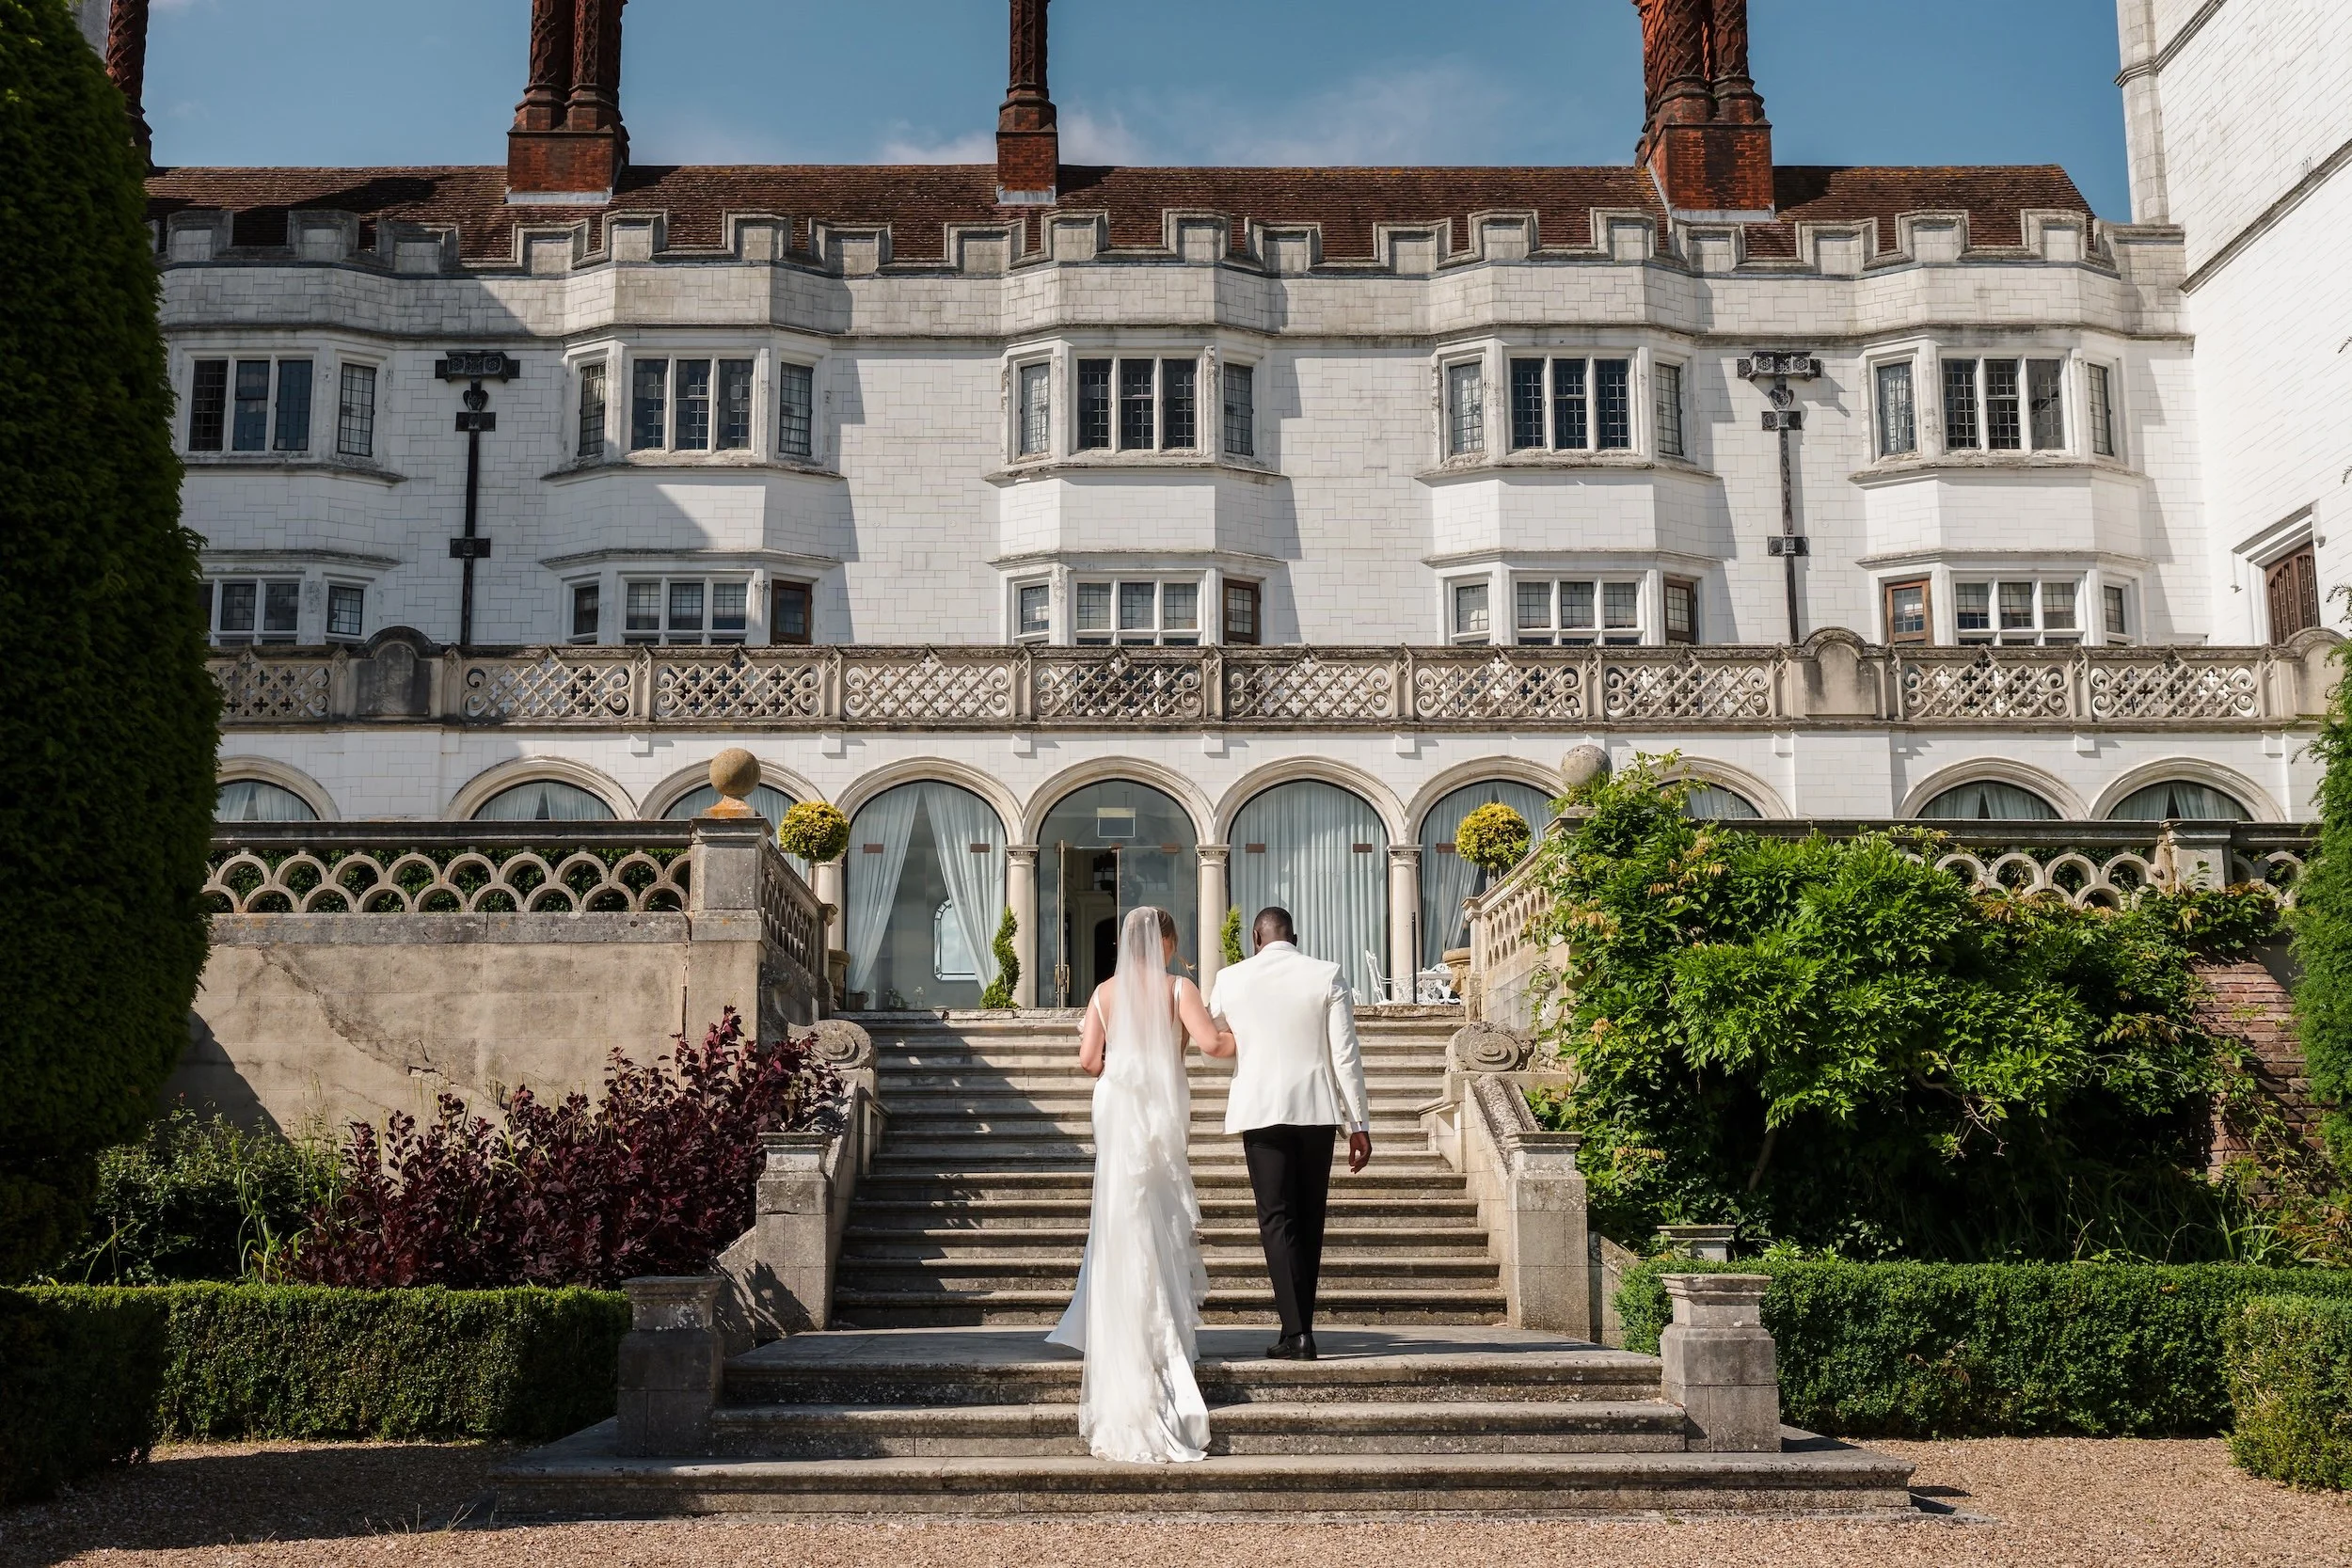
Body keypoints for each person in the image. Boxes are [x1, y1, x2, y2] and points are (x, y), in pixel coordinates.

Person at [1046, 905, 1232, 1464]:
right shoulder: (1180, 988)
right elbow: (1214, 1047)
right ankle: (1158, 1329)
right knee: (1158, 1209)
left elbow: (1087, 1061)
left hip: (1116, 1104)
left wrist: (1119, 1065)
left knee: (1119, 1213)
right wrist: (1248, 1032)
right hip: (1158, 1104)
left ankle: (1119, 1323)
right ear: (1168, 941)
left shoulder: (1103, 992)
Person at [1206, 907, 1374, 1362]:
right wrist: (1358, 1124)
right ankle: (1299, 1329)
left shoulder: (1230, 977)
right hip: (1316, 1110)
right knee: (1309, 1220)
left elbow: (1210, 1039)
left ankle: (1296, 1332)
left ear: (1255, 939)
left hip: (1260, 1109)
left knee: (1276, 1219)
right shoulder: (1326, 974)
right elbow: (1346, 1055)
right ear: (1293, 936)